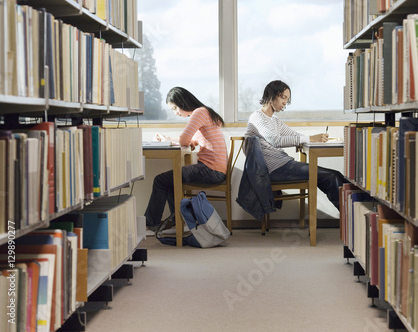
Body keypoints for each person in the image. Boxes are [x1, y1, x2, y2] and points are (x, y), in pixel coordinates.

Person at [244, 79, 347, 211]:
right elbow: (275, 140)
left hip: (284, 164)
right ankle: (350, 217)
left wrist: (315, 138)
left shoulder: (274, 120)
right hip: (275, 169)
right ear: (271, 94)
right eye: (283, 97)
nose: (285, 103)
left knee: (335, 175)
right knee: (330, 176)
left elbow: (294, 135)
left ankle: (358, 206)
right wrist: (310, 138)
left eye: (287, 99)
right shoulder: (257, 117)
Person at [144, 87, 228, 236]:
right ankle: (178, 223)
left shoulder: (199, 112)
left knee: (160, 180)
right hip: (215, 168)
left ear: (183, 102)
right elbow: (191, 141)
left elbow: (184, 140)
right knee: (170, 180)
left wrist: (176, 140)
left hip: (211, 169)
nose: (175, 112)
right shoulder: (204, 112)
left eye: (175, 107)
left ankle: (151, 224)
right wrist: (166, 139)